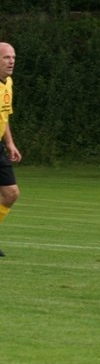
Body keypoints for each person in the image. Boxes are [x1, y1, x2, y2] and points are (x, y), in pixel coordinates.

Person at [0, 42, 21, 257]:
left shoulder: (8, 83)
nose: (11, 61)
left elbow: (4, 116)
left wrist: (10, 143)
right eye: (6, 57)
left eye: (13, 57)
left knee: (10, 194)